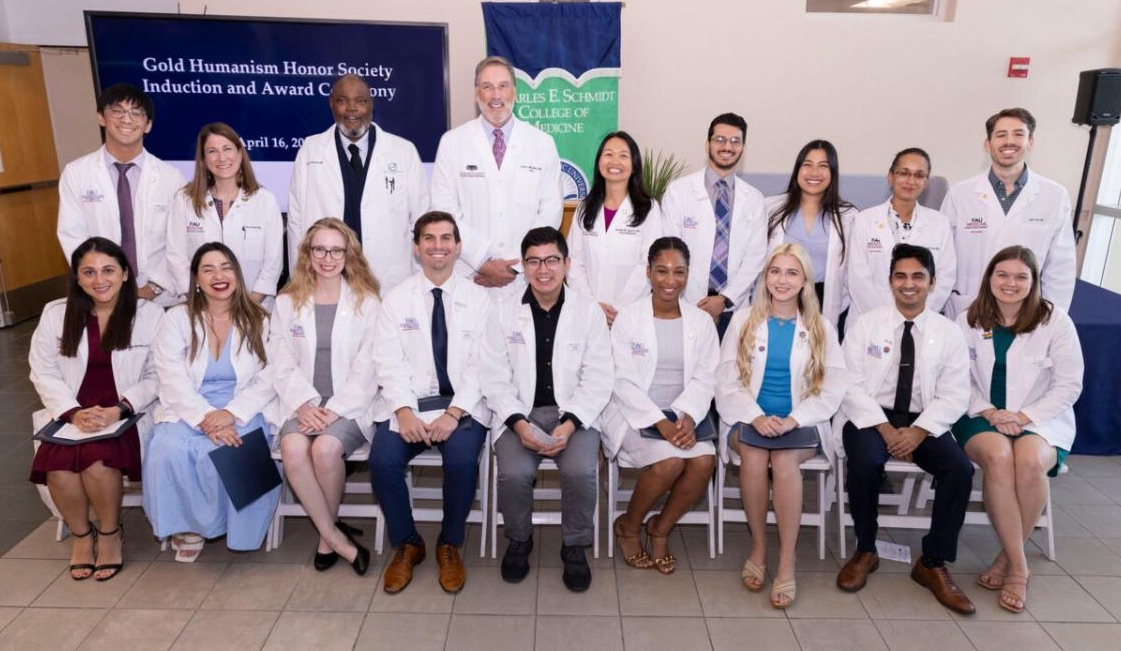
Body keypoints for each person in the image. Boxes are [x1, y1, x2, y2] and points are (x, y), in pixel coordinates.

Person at [835, 243, 976, 615]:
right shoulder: (867, 324)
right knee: (865, 462)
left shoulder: (948, 332)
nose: (908, 284)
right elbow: (847, 383)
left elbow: (955, 394)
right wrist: (884, 429)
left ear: (932, 282)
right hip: (870, 417)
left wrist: (919, 431)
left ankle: (932, 562)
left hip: (924, 420)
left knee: (959, 469)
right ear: (890, 281)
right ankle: (866, 549)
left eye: (918, 276)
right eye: (900, 276)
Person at [480, 227, 613, 592]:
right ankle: (519, 539)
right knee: (514, 473)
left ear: (566, 263)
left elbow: (599, 376)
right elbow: (493, 376)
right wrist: (519, 424)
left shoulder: (588, 312)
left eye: (552, 260)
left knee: (581, 471)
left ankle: (574, 546)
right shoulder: (503, 312)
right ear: (523, 267)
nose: (543, 270)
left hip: (575, 415)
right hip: (520, 414)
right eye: (534, 261)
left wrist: (569, 424)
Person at [952, 245, 1083, 614]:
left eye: (1020, 277)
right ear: (990, 278)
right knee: (998, 456)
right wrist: (991, 413)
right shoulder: (968, 319)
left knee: (1028, 461)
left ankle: (1006, 560)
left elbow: (1069, 385)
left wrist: (1024, 417)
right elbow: (957, 378)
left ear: (1034, 281)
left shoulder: (1055, 321)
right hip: (978, 412)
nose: (1010, 283)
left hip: (1041, 416)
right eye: (1003, 275)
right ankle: (1020, 566)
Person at [715, 243, 847, 609]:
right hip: (748, 418)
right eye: (776, 271)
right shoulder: (743, 321)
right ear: (765, 277)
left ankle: (787, 559)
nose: (782, 280)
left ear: (805, 280)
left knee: (785, 462)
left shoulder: (821, 327)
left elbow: (834, 386)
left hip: (801, 421)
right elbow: (725, 380)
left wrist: (794, 419)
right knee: (755, 459)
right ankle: (759, 547)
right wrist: (755, 416)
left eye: (792, 272)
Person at [369, 211, 492, 595]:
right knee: (382, 461)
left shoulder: (480, 300)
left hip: (462, 405)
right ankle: (408, 543)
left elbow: (485, 364)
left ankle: (449, 543)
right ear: (416, 247)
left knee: (461, 460)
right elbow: (388, 362)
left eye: (445, 238)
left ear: (457, 246)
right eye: (429, 239)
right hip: (410, 404)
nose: (438, 246)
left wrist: (455, 413)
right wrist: (404, 412)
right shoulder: (395, 300)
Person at [29, 237, 162, 582]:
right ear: (77, 277)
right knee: (59, 469)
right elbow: (42, 371)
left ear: (125, 273)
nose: (99, 280)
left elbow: (158, 375)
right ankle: (81, 536)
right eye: (88, 272)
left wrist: (120, 408)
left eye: (108, 270)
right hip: (73, 413)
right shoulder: (56, 314)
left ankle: (109, 534)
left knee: (98, 464)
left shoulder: (149, 315)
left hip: (125, 413)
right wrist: (73, 412)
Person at [143, 243, 281, 562]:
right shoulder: (177, 319)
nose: (219, 276)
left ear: (237, 275)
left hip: (242, 406)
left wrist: (231, 413)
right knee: (167, 449)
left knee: (240, 448)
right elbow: (171, 377)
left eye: (226, 268)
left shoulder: (260, 319)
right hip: (188, 407)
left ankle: (239, 530)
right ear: (196, 280)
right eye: (208, 270)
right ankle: (187, 528)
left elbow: (271, 375)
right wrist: (206, 418)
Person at [601, 237, 718, 574]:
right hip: (634, 413)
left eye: (679, 272)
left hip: (684, 415)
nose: (670, 280)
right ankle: (629, 526)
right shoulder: (628, 319)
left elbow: (706, 376)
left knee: (703, 462)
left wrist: (687, 417)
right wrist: (660, 422)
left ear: (687, 274)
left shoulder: (700, 321)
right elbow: (622, 380)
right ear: (649, 273)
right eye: (662, 271)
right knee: (669, 463)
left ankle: (660, 528)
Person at [270, 218, 380, 576]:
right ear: (308, 253)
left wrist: (334, 409)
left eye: (336, 250)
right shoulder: (287, 302)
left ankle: (325, 537)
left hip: (349, 405)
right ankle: (334, 536)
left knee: (325, 450)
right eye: (320, 249)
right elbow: (280, 360)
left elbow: (369, 366)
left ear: (349, 255)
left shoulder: (367, 302)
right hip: (301, 402)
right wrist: (304, 403)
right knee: (292, 449)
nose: (327, 258)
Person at [430, 56, 563, 298]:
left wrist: (514, 265)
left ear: (515, 92)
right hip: (470, 275)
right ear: (476, 93)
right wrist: (482, 261)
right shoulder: (452, 143)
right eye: (487, 86)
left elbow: (550, 213)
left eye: (503, 86)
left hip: (525, 277)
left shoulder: (542, 144)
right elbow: (444, 212)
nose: (496, 95)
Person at [288, 74, 429, 292]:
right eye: (342, 100)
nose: (352, 108)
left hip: (389, 278)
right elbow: (296, 221)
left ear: (371, 104)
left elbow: (420, 220)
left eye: (360, 101)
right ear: (331, 104)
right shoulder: (310, 150)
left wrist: (419, 281)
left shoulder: (403, 151)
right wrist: (299, 278)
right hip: (327, 274)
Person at [57, 83, 184, 307]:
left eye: (136, 113)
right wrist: (100, 282)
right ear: (101, 118)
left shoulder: (171, 177)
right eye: (117, 111)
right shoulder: (76, 173)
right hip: (101, 295)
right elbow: (72, 236)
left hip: (159, 296)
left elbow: (180, 241)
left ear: (148, 125)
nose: (126, 119)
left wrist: (154, 287)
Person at [940, 108, 1075, 318]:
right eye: (1001, 135)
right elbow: (942, 258)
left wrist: (1052, 316)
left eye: (1018, 134)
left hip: (1025, 312)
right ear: (988, 144)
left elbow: (1060, 266)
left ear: (1031, 142)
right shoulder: (960, 194)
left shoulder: (1054, 196)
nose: (1009, 141)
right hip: (968, 307)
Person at [662, 113, 768, 338]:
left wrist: (725, 299)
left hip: (733, 309)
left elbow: (755, 258)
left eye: (735, 141)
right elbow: (670, 251)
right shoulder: (678, 191)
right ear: (707, 144)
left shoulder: (755, 199)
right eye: (720, 139)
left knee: (730, 361)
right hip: (686, 304)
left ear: (742, 147)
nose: (727, 146)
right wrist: (697, 301)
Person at [167, 122, 284, 308]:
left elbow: (273, 263)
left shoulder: (265, 201)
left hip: (254, 308)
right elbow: (177, 258)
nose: (221, 157)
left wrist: (248, 306)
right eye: (212, 151)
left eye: (227, 149)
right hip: (201, 307)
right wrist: (201, 304)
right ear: (203, 159)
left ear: (240, 153)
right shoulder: (185, 201)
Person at [847, 148, 956, 324]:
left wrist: (914, 315)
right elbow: (857, 279)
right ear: (891, 176)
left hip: (921, 321)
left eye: (919, 175)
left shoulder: (940, 223)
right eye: (904, 173)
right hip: (869, 321)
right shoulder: (864, 220)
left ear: (926, 182)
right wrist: (886, 319)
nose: (911, 181)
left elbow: (944, 278)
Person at [566, 131, 664, 326]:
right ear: (599, 162)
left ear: (634, 165)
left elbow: (648, 264)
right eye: (608, 154)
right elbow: (574, 262)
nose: (615, 161)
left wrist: (619, 308)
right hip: (588, 312)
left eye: (623, 156)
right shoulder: (585, 208)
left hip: (630, 313)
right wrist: (592, 306)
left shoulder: (648, 208)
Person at [764, 140, 857, 326]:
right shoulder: (770, 208)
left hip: (823, 302)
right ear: (797, 169)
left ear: (833, 173)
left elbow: (853, 273)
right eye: (807, 165)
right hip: (777, 296)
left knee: (819, 344)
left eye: (823, 166)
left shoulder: (848, 216)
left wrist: (838, 303)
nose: (814, 173)